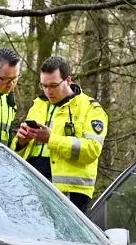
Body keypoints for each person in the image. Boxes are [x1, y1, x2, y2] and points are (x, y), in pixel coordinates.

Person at [13, 56, 108, 212]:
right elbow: (18, 149)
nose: (48, 91)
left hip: (70, 191)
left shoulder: (90, 109)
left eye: (54, 85)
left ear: (68, 80)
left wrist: (51, 139)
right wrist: (21, 142)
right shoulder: (38, 105)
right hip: (32, 186)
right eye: (44, 85)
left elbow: (92, 150)